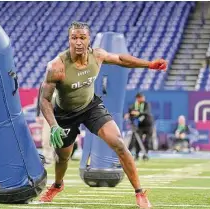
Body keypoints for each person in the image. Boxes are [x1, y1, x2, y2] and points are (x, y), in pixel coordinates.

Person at [39, 21, 167, 208]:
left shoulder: (97, 55)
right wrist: (53, 125)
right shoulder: (56, 67)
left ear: (89, 39)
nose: (78, 42)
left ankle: (140, 193)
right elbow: (44, 100)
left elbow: (121, 60)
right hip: (65, 114)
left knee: (120, 144)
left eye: (82, 37)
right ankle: (57, 185)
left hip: (91, 107)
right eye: (74, 38)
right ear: (69, 40)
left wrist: (149, 65)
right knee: (63, 157)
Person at [126, 93, 154, 161]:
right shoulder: (134, 105)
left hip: (148, 125)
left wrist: (137, 113)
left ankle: (145, 154)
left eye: (143, 97)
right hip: (140, 126)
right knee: (138, 141)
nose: (143, 98)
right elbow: (130, 111)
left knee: (147, 141)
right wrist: (129, 114)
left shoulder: (146, 104)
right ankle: (137, 155)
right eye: (141, 97)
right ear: (137, 98)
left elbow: (146, 112)